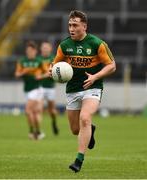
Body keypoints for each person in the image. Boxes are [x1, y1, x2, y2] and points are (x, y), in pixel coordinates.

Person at [50, 10, 116, 172]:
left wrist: (95, 77)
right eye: (69, 25)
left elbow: (112, 66)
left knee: (85, 118)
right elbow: (54, 65)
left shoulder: (97, 43)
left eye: (75, 25)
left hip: (92, 88)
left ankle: (78, 160)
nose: (71, 28)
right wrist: (51, 70)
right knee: (75, 129)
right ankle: (90, 130)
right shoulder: (64, 45)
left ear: (84, 26)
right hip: (72, 89)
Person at [15, 41, 45, 140]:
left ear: (35, 51)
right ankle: (38, 132)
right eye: (28, 51)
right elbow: (17, 75)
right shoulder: (22, 61)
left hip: (36, 89)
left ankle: (32, 132)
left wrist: (40, 76)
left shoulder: (39, 61)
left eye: (31, 51)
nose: (29, 52)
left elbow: (48, 73)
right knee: (34, 113)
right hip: (27, 89)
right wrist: (24, 71)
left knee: (28, 111)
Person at [37, 42, 59, 135]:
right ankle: (38, 131)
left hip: (50, 88)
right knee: (39, 109)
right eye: (44, 47)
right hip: (40, 88)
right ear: (41, 49)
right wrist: (46, 75)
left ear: (50, 49)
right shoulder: (37, 60)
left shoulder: (53, 59)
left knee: (52, 110)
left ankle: (54, 122)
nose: (45, 49)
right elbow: (36, 75)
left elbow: (57, 73)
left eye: (47, 48)